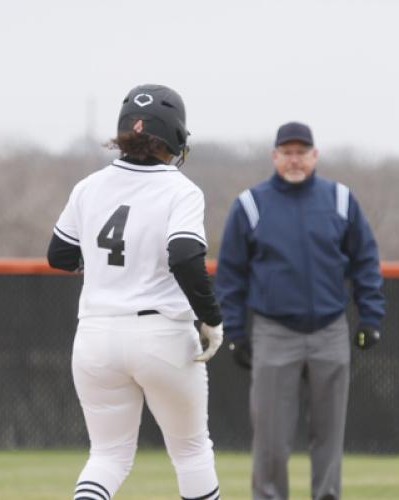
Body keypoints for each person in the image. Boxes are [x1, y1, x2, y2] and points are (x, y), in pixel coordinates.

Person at [48, 84, 223, 500]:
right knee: (192, 452)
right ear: (177, 135)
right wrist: (211, 317)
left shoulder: (88, 187)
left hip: (95, 336)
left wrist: (106, 267)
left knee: (107, 457)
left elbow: (59, 254)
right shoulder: (181, 189)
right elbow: (184, 256)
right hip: (160, 334)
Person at [214, 122, 385, 500]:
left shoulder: (341, 200)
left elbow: (365, 261)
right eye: (286, 152)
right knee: (271, 437)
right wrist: (237, 333)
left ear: (315, 156)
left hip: (330, 329)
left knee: (329, 433)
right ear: (275, 156)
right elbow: (230, 275)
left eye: (301, 152)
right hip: (274, 331)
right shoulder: (251, 204)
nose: (294, 159)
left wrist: (370, 317)